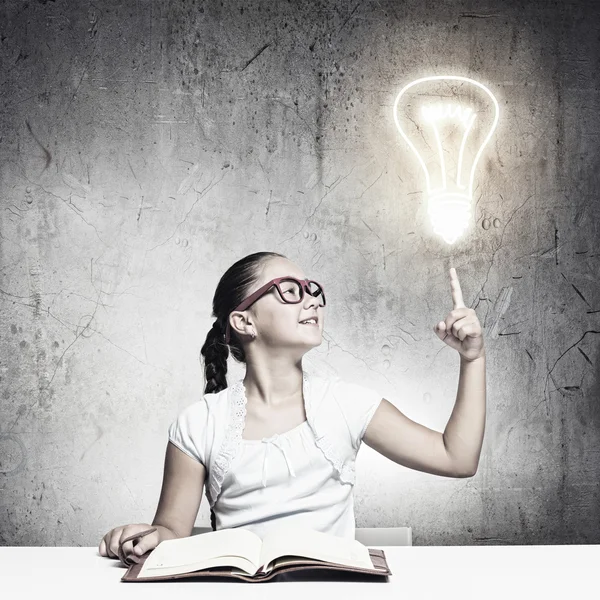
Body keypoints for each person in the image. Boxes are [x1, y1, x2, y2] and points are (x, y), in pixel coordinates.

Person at [99, 252, 486, 564]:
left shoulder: (345, 403)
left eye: (313, 290)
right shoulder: (199, 422)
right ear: (244, 321)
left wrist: (472, 359)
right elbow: (170, 533)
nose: (313, 299)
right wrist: (139, 539)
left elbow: (458, 458)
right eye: (289, 290)